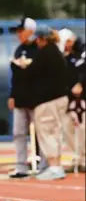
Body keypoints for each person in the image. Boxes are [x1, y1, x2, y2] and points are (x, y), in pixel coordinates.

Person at [18, 25, 68, 180]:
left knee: (47, 132)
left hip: (48, 100)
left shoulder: (45, 53)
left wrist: (23, 66)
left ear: (42, 39)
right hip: (60, 98)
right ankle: (57, 166)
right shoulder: (56, 52)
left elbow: (31, 73)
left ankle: (53, 167)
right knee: (56, 132)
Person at [8, 18, 46, 178]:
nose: (18, 34)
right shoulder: (19, 49)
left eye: (21, 30)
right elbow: (15, 76)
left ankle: (45, 165)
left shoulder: (40, 48)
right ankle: (21, 166)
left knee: (42, 133)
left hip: (37, 98)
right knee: (19, 133)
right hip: (21, 98)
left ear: (30, 31)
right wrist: (12, 95)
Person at [57, 29, 85, 172]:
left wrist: (81, 83)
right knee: (66, 128)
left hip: (82, 99)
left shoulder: (82, 53)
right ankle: (77, 155)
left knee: (82, 129)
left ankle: (83, 158)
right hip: (67, 98)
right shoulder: (63, 57)